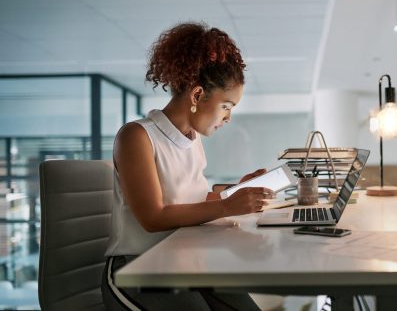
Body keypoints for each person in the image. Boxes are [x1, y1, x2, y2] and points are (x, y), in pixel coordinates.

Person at [101, 22, 275, 311]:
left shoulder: (192, 139)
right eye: (227, 106)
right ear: (196, 96)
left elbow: (194, 201)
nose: (229, 117)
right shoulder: (137, 136)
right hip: (135, 268)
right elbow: (153, 217)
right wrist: (226, 206)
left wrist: (237, 191)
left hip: (182, 258)